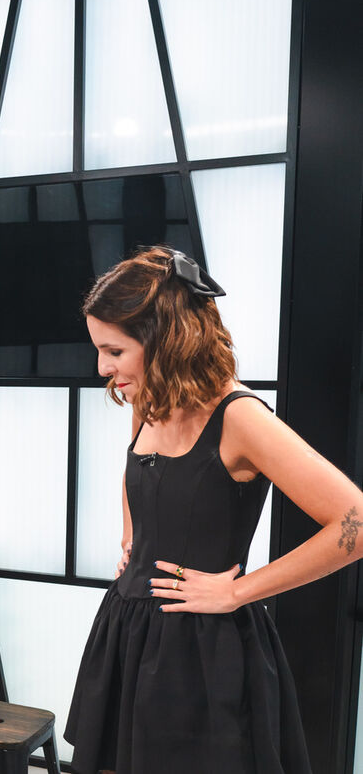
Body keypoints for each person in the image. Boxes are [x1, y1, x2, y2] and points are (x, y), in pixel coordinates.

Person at [65, 247, 363, 774]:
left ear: (163, 338)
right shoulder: (149, 397)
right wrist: (133, 537)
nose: (103, 368)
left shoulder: (241, 417)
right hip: (127, 629)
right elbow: (138, 468)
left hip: (202, 650)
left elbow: (355, 523)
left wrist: (237, 592)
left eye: (114, 350)